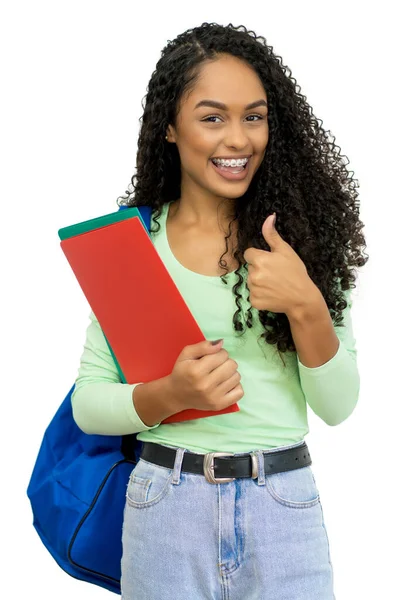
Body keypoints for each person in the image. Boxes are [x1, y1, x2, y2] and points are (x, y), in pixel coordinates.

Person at [71, 22, 367, 600]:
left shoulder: (301, 242)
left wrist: (306, 303)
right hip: (164, 506)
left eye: (253, 117)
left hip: (284, 503)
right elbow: (88, 404)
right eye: (212, 118)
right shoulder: (133, 248)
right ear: (170, 130)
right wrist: (171, 395)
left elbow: (339, 406)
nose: (238, 139)